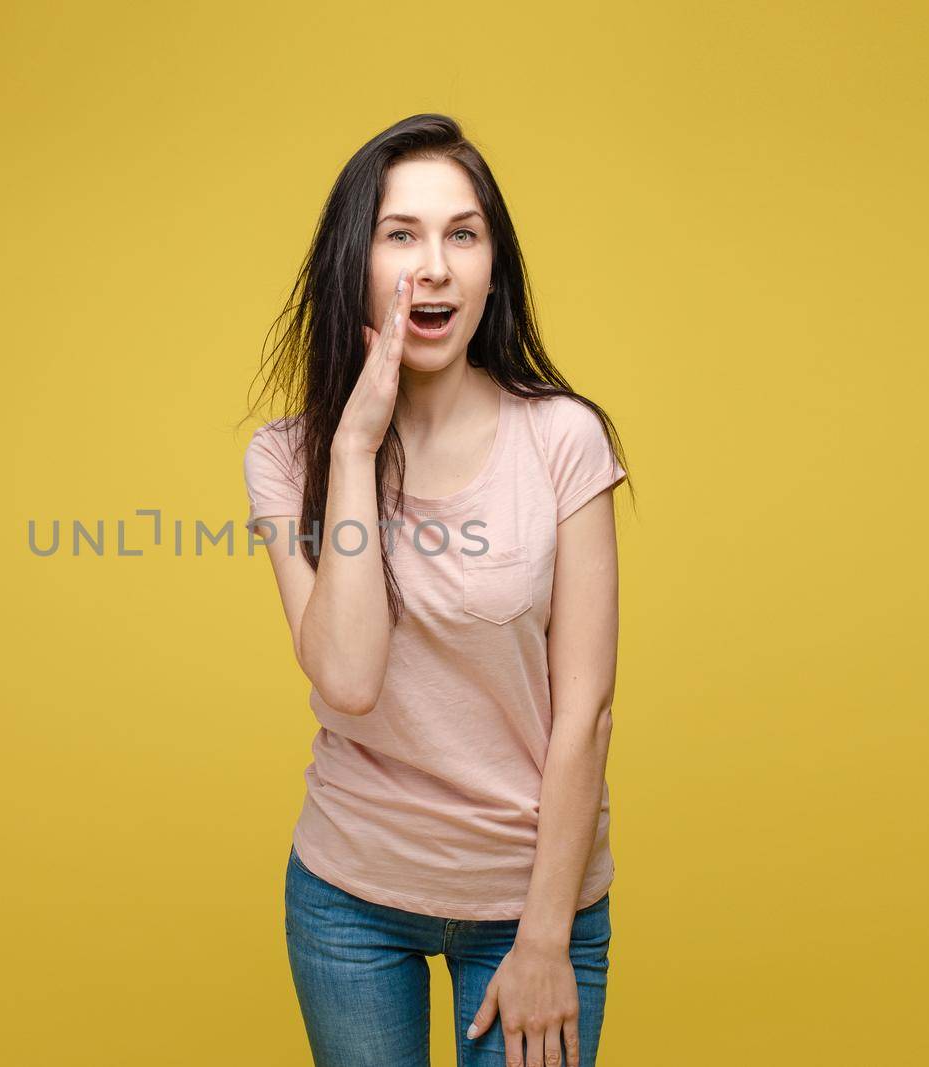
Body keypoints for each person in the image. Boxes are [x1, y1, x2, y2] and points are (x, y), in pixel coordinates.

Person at [241, 114, 634, 1067]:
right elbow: (349, 679)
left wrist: (544, 934)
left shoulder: (562, 442)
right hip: (348, 899)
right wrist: (354, 447)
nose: (435, 265)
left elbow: (584, 711)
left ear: (492, 268)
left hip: (531, 901)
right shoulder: (287, 458)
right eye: (400, 234)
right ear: (357, 264)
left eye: (463, 234)